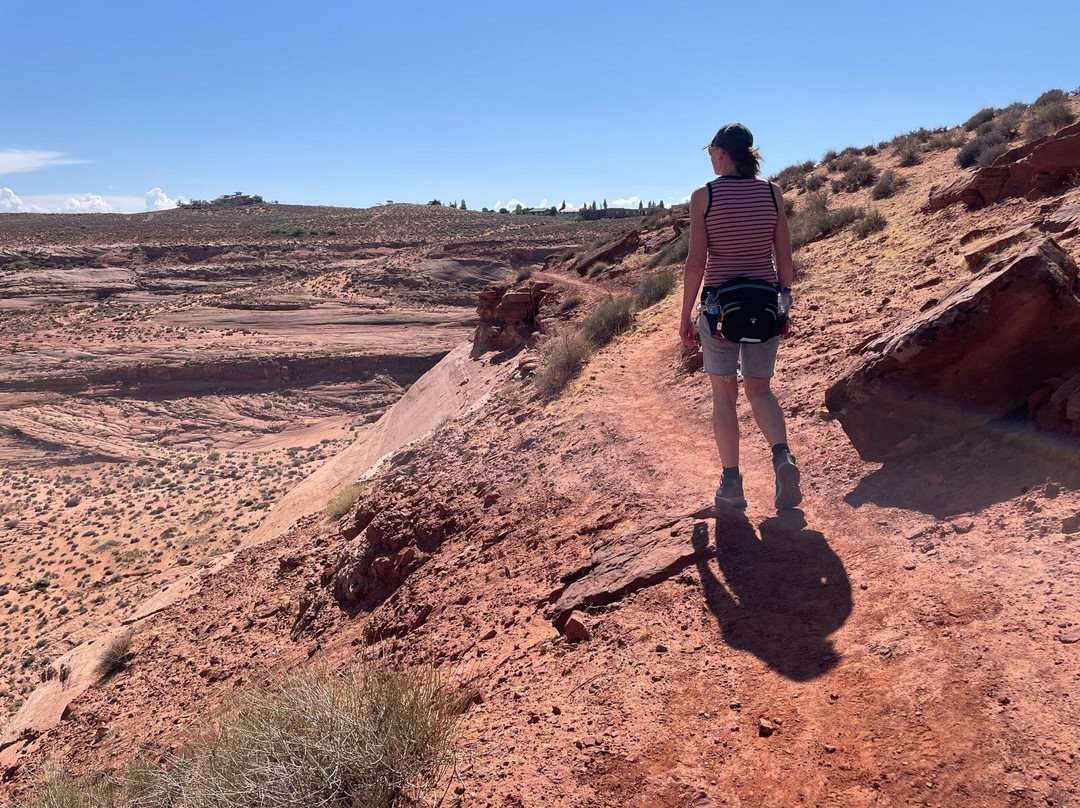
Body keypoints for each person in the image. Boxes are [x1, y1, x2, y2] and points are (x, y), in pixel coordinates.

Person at [678, 122, 802, 511]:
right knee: (760, 389)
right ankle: (782, 457)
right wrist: (785, 300)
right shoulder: (771, 193)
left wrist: (685, 314)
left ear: (721, 152)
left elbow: (697, 261)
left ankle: (731, 484)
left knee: (724, 396)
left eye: (713, 153)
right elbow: (784, 256)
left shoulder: (705, 197)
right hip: (765, 305)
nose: (712, 159)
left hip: (719, 311)